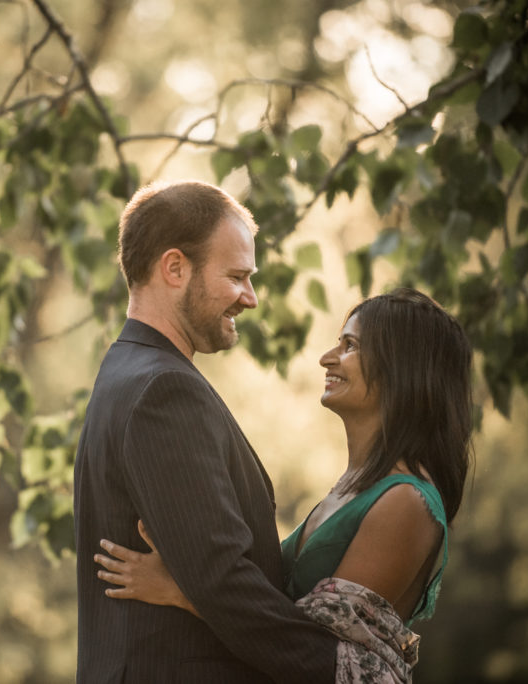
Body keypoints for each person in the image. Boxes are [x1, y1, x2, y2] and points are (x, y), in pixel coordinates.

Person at [94, 288, 473, 682]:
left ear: (403, 367)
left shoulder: (406, 502)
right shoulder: (353, 487)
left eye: (350, 346)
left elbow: (310, 653)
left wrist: (184, 592)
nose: (328, 358)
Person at [74, 180, 338, 683]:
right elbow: (223, 581)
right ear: (174, 268)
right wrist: (341, 668)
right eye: (237, 276)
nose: (252, 298)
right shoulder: (163, 390)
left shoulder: (124, 371)